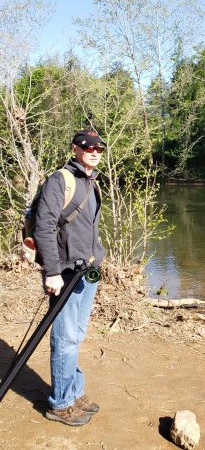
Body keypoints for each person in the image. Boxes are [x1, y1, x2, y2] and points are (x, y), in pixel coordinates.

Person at [33, 129, 106, 426]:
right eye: (88, 147)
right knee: (64, 339)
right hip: (63, 272)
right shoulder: (59, 180)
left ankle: (73, 391)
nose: (94, 152)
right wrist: (51, 271)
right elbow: (43, 228)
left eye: (99, 148)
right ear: (76, 148)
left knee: (75, 336)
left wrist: (96, 260)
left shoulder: (91, 181)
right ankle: (60, 403)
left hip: (86, 271)